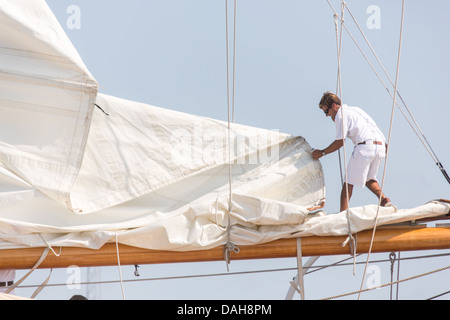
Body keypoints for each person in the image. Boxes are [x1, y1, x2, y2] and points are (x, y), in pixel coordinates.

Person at [312, 91, 392, 211]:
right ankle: (384, 200)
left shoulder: (340, 115)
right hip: (380, 147)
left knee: (348, 183)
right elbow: (372, 126)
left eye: (326, 111)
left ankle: (342, 215)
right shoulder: (356, 110)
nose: (327, 115)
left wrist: (322, 152)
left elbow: (340, 142)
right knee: (369, 178)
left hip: (365, 147)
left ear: (334, 106)